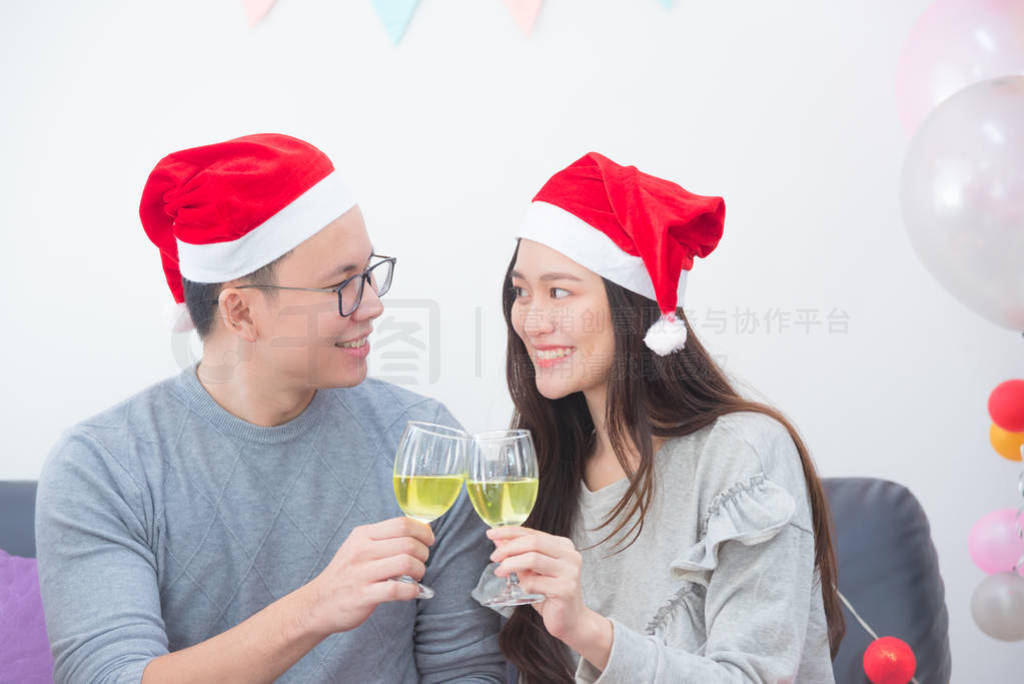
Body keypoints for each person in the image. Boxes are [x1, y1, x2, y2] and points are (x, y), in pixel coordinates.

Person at [35, 133, 504, 683]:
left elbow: (467, 670)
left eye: (370, 272)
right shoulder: (103, 468)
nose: (374, 305)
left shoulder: (423, 441)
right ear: (240, 312)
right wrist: (313, 610)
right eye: (343, 285)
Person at [476, 152, 844, 682]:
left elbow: (756, 677)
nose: (531, 319)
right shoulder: (547, 459)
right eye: (520, 292)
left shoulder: (743, 453)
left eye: (559, 291)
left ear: (633, 305)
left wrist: (586, 630)